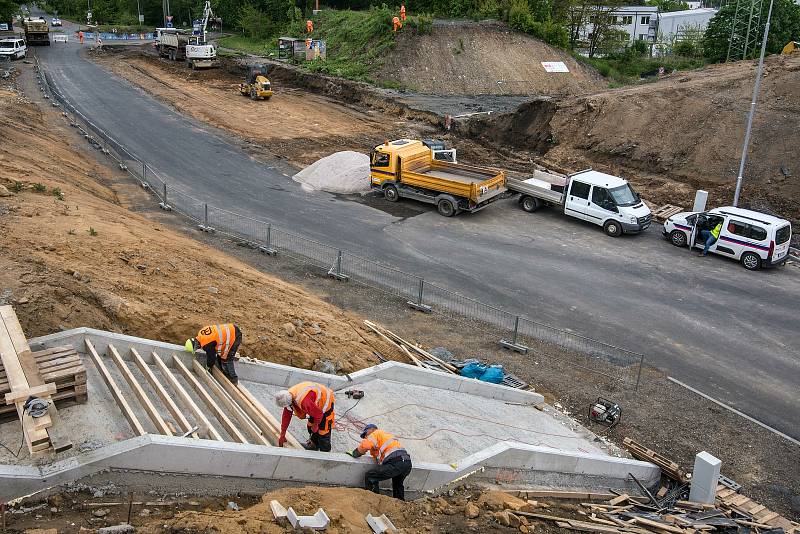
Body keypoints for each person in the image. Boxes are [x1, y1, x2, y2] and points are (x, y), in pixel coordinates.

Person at [347, 424, 412, 501]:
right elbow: (378, 458)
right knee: (397, 484)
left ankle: (373, 500)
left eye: (365, 434)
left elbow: (365, 446)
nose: (365, 437)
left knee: (371, 476)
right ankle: (401, 505)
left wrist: (355, 453)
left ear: (371, 429)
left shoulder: (376, 433)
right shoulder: (385, 437)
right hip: (406, 463)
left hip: (396, 462)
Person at [275, 382, 335, 452]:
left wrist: (316, 425)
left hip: (325, 402)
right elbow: (286, 417)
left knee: (323, 432)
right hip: (314, 403)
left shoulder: (304, 401)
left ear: (291, 403)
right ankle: (314, 445)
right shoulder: (287, 395)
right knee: (310, 426)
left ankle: (325, 454)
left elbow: (319, 414)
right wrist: (282, 434)